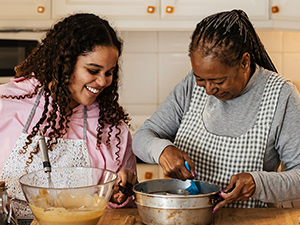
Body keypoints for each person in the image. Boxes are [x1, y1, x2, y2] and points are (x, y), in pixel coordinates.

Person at [132, 9, 300, 213]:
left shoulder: (281, 95)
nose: (209, 90)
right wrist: (161, 150)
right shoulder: (190, 87)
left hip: (250, 219)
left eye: (219, 81)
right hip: (188, 217)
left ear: (245, 62)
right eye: (201, 79)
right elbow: (142, 137)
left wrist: (257, 183)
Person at [0, 13, 137, 221]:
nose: (102, 82)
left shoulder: (112, 129)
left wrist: (120, 195)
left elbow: (118, 210)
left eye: (109, 72)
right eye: (93, 70)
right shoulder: (7, 104)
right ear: (64, 63)